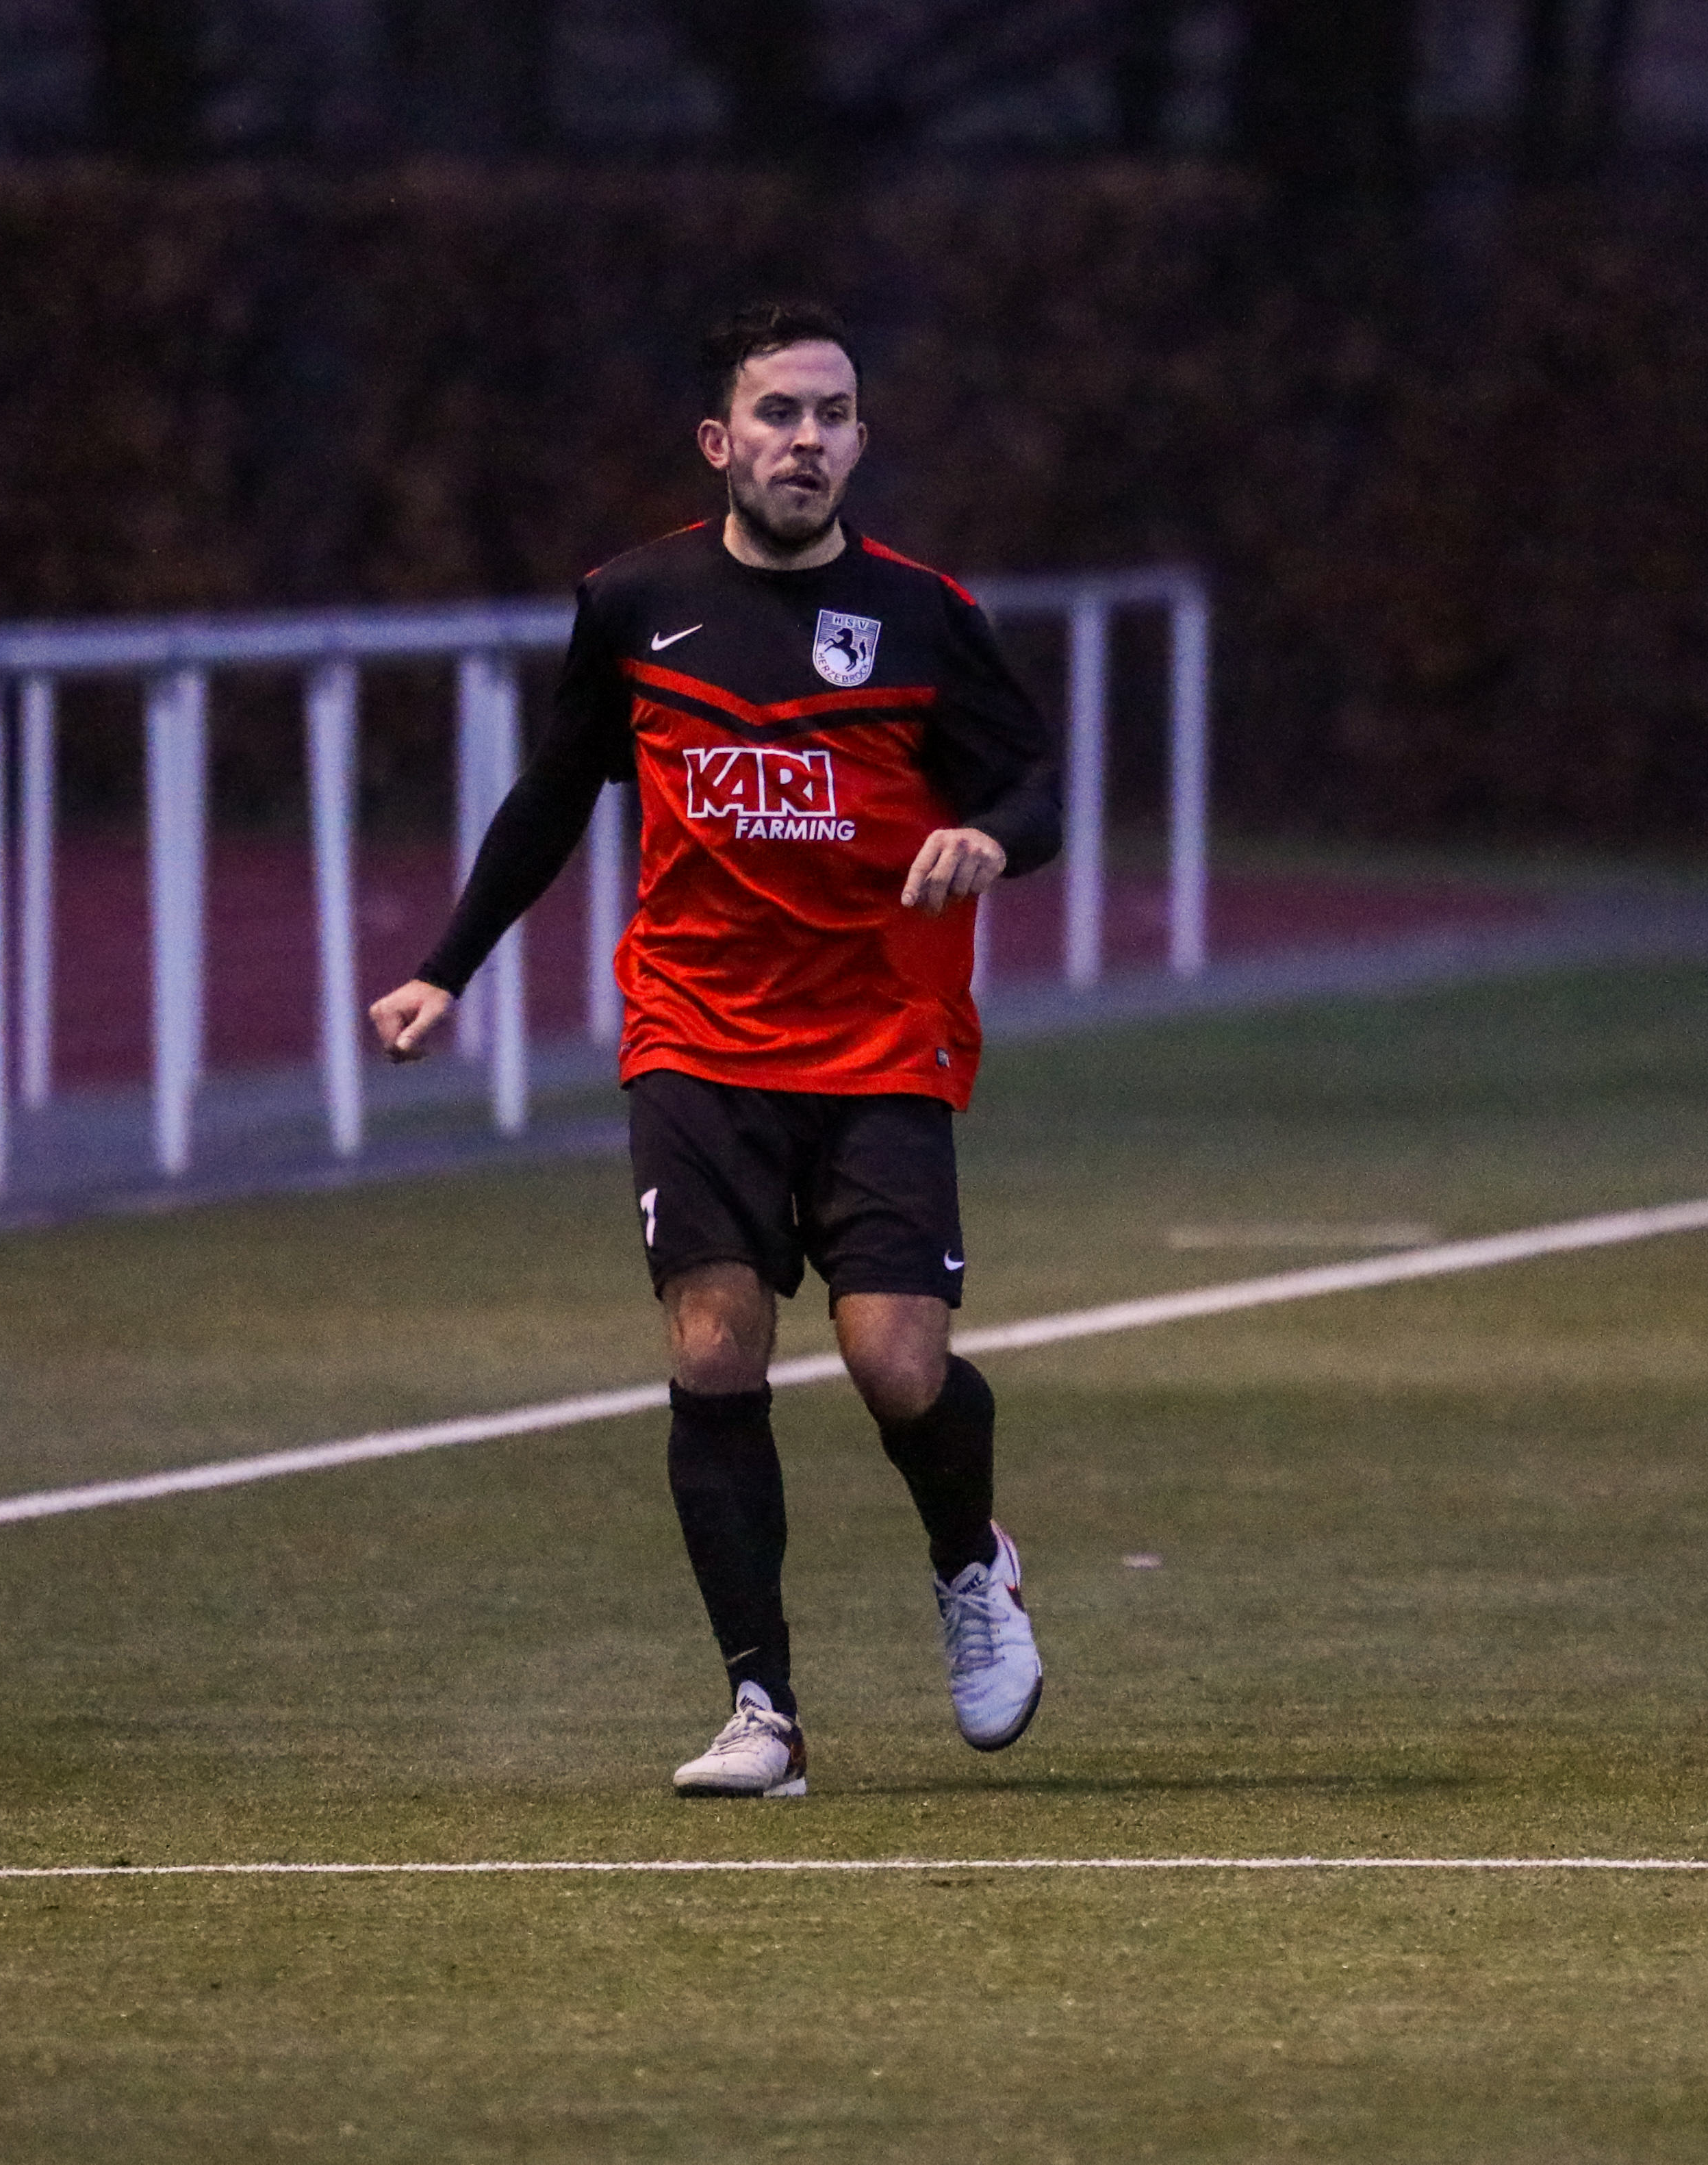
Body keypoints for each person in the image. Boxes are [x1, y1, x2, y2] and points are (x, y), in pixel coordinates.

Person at [369, 301, 1062, 1798]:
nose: (805, 440)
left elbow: (1036, 791)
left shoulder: (924, 614)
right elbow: (553, 794)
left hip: (880, 1038)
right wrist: (445, 969)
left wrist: (990, 839)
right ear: (719, 440)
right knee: (712, 1341)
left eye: (832, 415)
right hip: (694, 1033)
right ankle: (763, 1707)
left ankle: (971, 1563)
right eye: (777, 413)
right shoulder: (636, 603)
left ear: (860, 442)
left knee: (895, 1365)